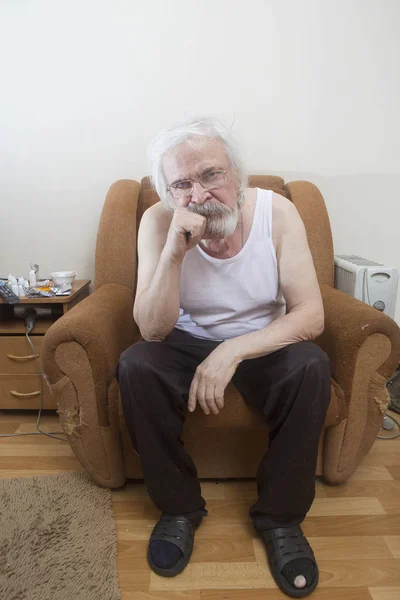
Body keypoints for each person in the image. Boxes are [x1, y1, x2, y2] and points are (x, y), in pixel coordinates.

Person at [115, 117, 331, 598]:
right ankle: (178, 510)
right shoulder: (156, 222)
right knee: (136, 364)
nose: (199, 194)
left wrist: (231, 352)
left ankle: (280, 520)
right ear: (169, 193)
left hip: (261, 339)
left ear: (238, 174)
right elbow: (151, 328)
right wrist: (173, 253)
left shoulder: (279, 213)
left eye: (211, 175)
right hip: (184, 341)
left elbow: (310, 314)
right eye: (182, 184)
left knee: (312, 365)